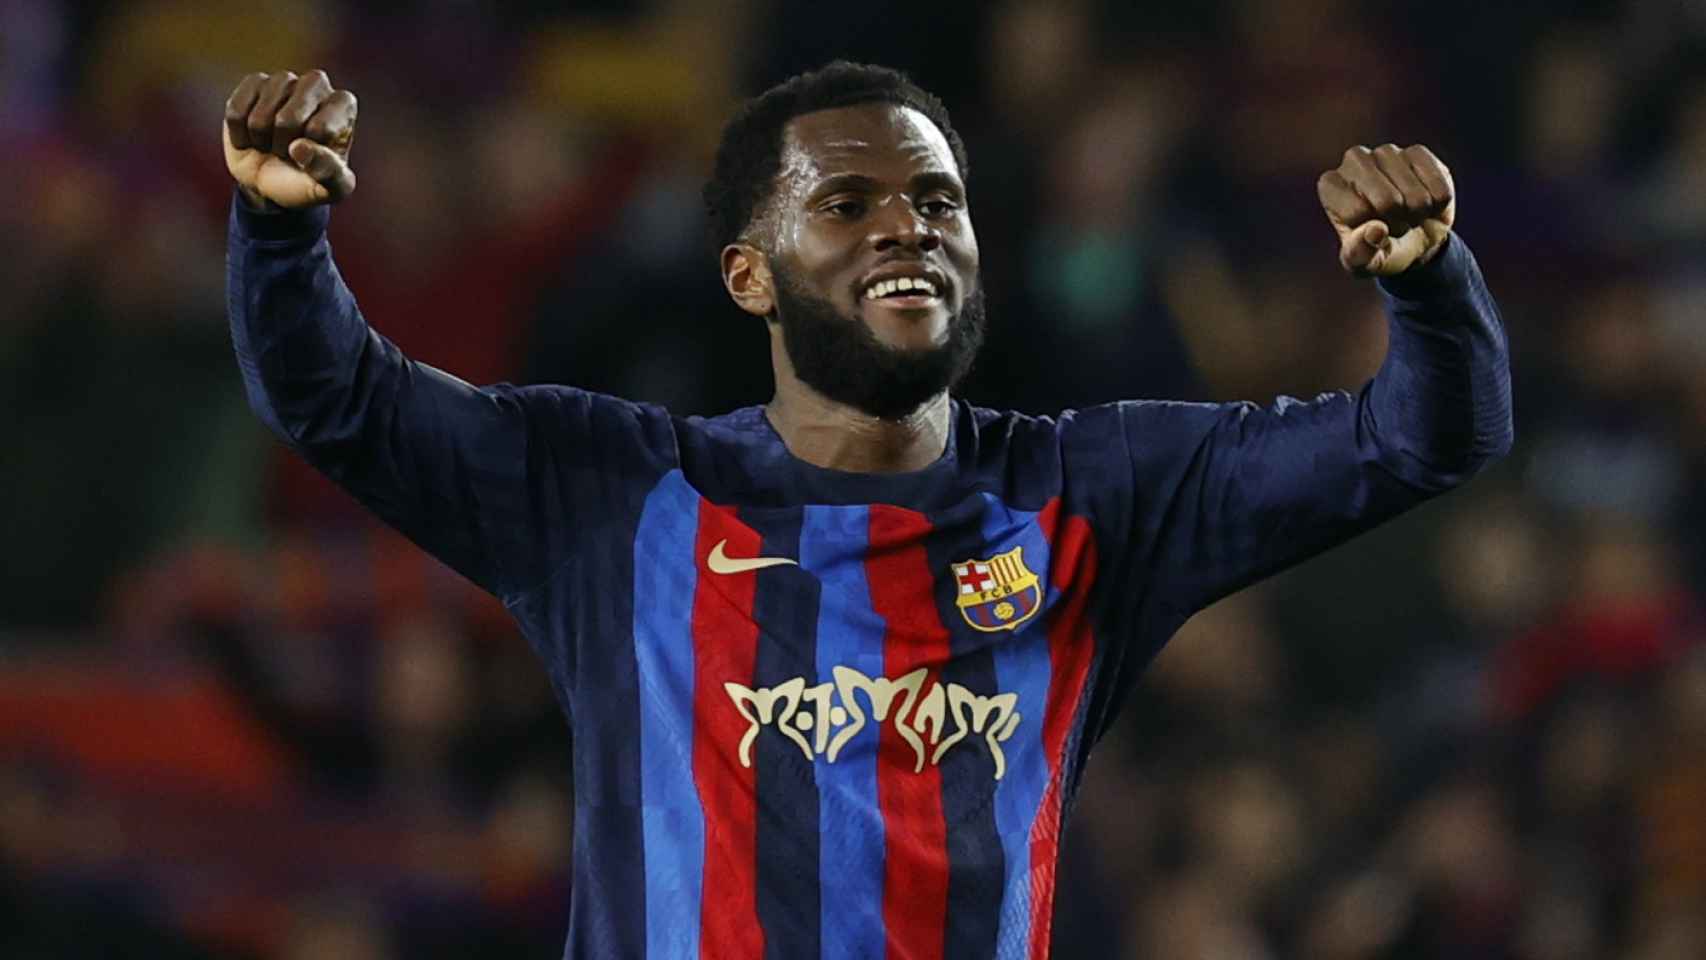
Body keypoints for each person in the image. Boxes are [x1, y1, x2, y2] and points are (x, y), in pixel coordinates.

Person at [223, 61, 1511, 960]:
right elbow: (340, 399)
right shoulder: (612, 494)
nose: (908, 226)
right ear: (749, 274)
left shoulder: (1094, 499)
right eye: (846, 205)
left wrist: (1434, 288)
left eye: (937, 201)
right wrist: (282, 240)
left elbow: (1424, 435)